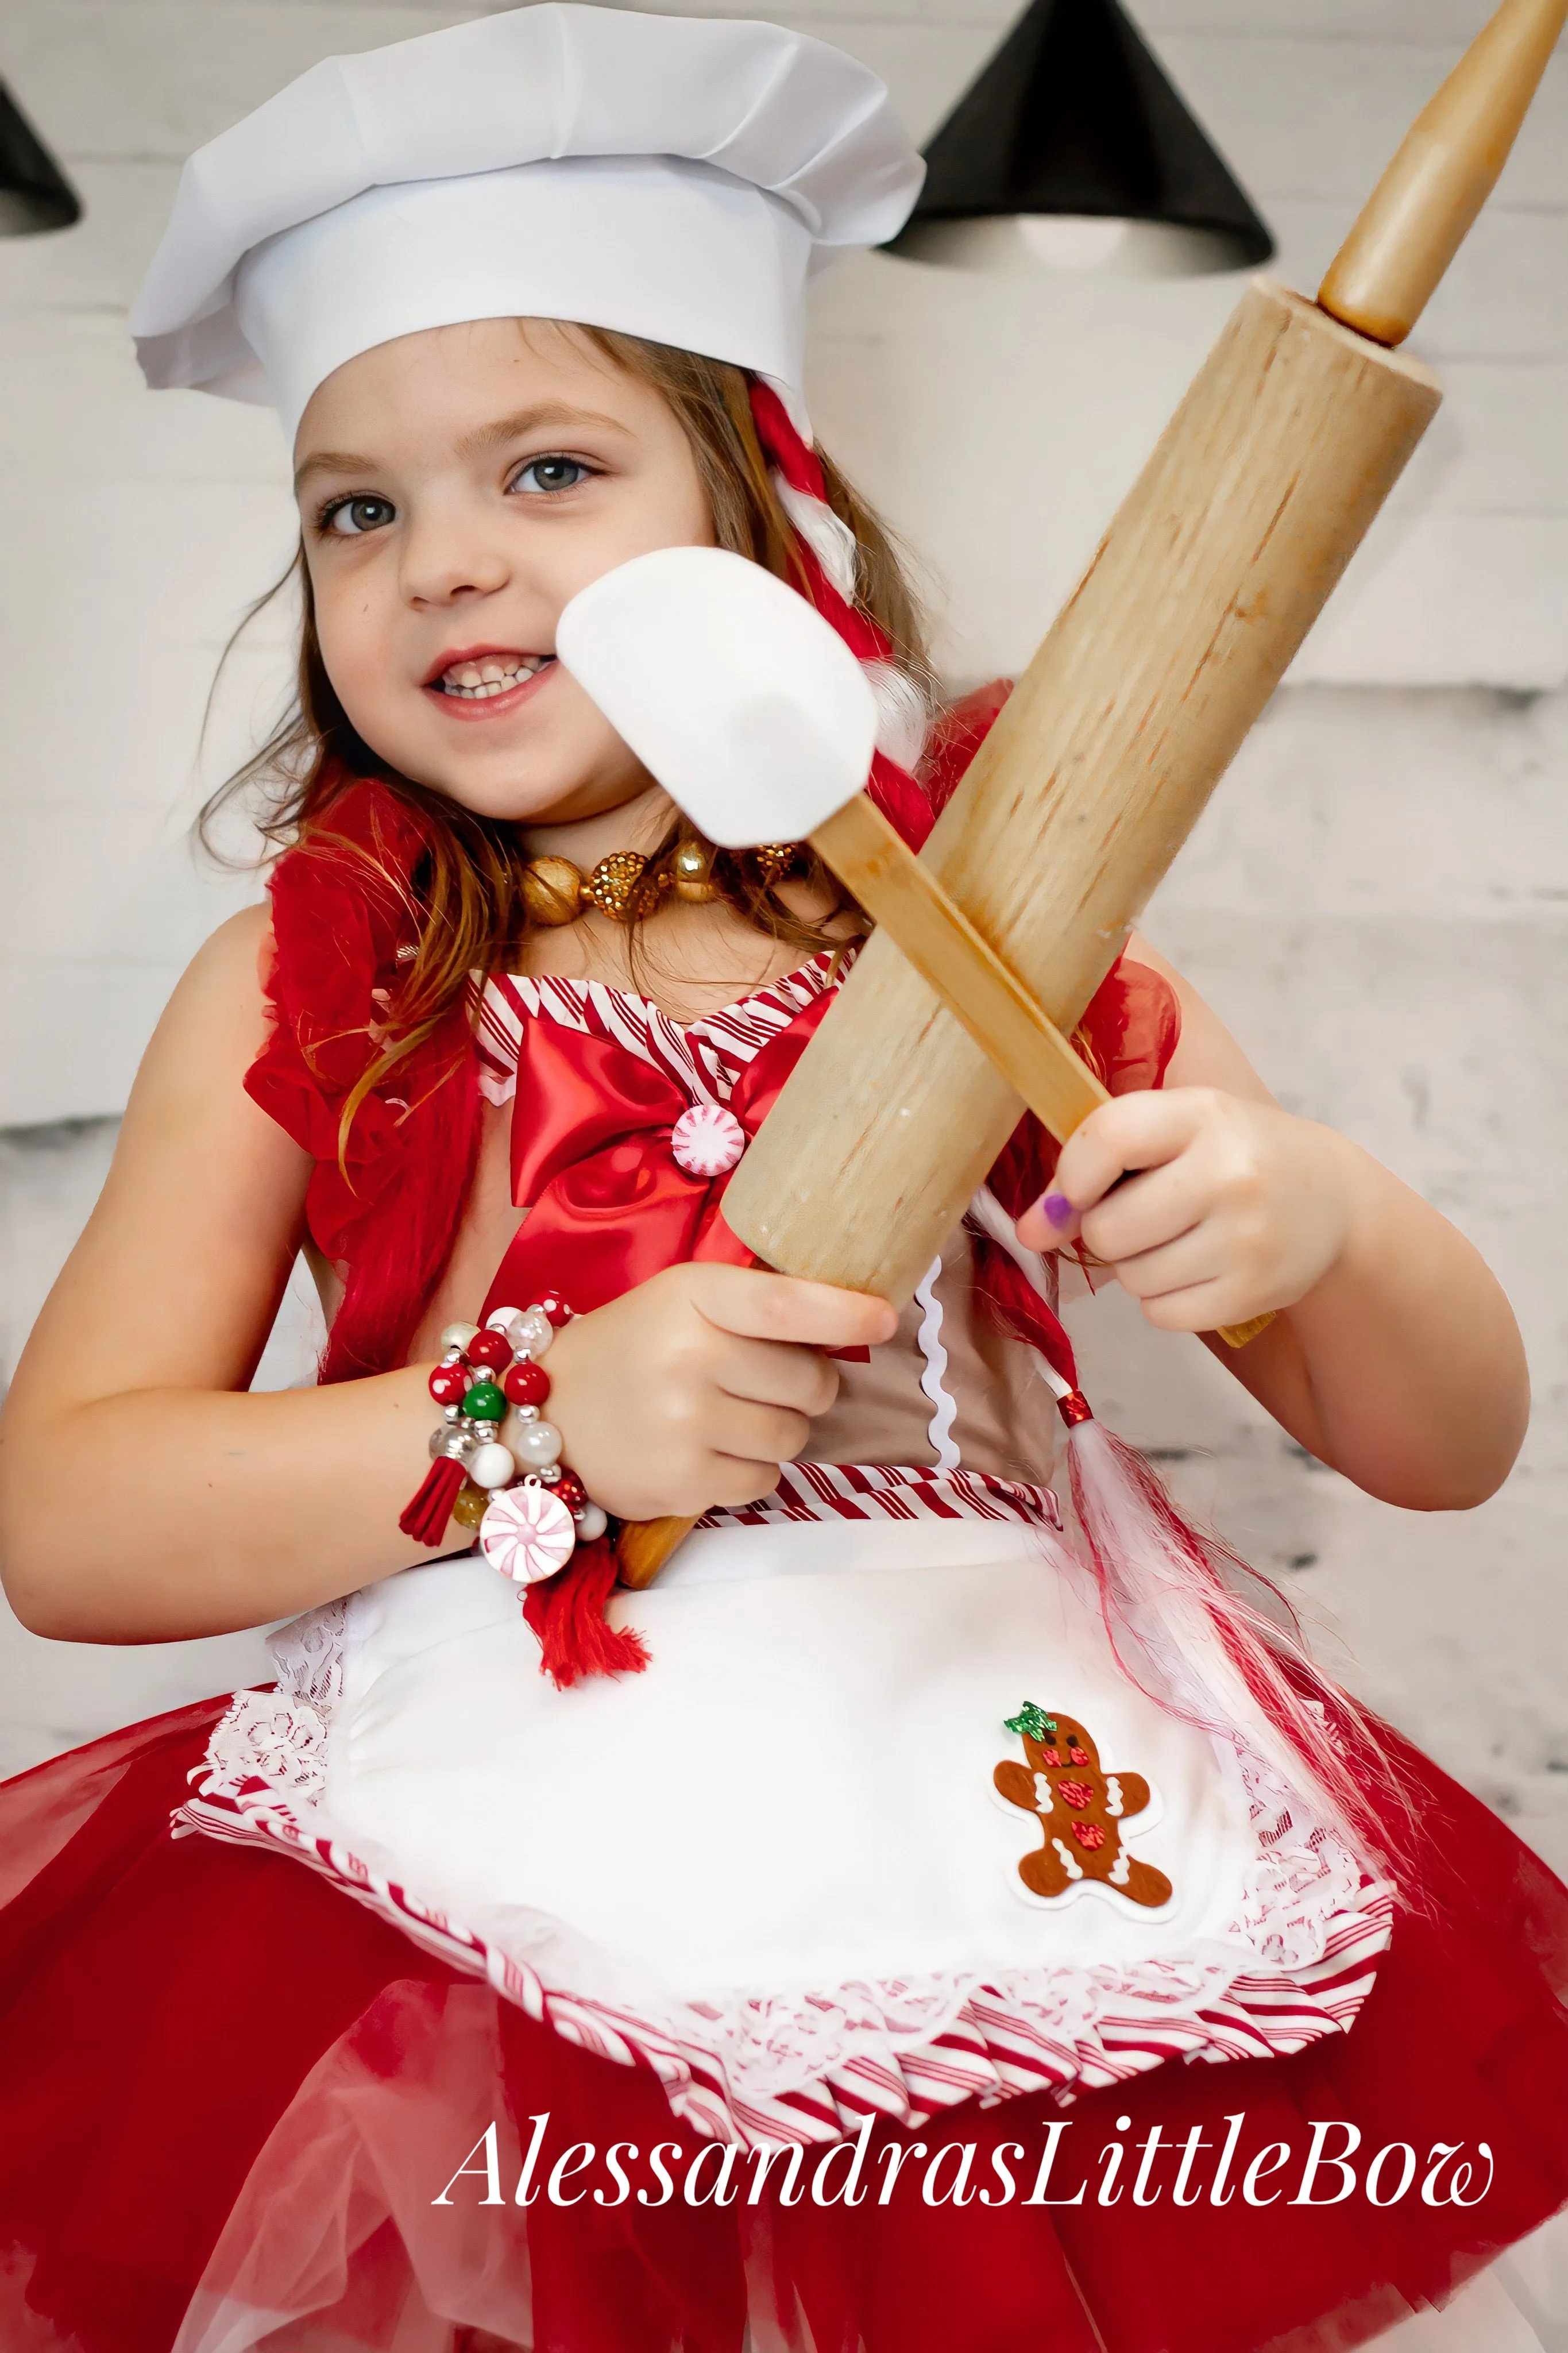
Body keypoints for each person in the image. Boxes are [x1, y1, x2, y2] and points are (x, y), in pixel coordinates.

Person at [1, 7, 1565, 2349]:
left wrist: (1319, 1213)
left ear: (765, 510)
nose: (441, 564)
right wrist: (538, 1414)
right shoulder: (313, 984)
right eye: (357, 508)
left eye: (545, 470)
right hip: (491, 1895)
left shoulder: (1018, 937)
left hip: (1005, 1842)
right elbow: (68, 1521)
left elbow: (1444, 1449)